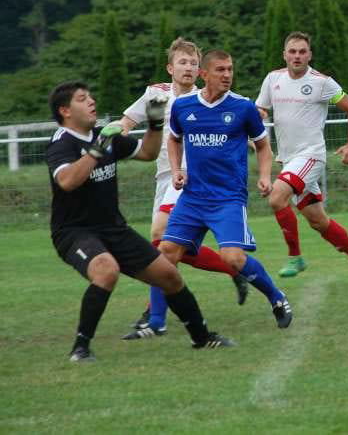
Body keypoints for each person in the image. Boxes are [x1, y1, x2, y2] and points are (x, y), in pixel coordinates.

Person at [46, 81, 233, 361]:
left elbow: (146, 153)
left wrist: (156, 125)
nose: (92, 102)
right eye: (83, 99)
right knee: (106, 270)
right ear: (65, 111)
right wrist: (97, 149)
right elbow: (67, 181)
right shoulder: (62, 143)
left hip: (113, 228)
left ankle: (202, 338)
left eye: (91, 97)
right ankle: (80, 348)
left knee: (169, 275)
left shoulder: (102, 135)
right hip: (74, 232)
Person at [124, 49, 292, 340]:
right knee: (164, 254)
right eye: (220, 70)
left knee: (233, 259)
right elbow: (174, 139)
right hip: (191, 197)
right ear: (205, 75)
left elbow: (263, 146)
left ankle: (276, 297)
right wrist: (176, 169)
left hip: (228, 198)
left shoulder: (243, 107)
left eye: (230, 69)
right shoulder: (183, 106)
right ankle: (155, 321)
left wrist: (265, 176)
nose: (227, 75)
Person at [120, 37, 247, 332]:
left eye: (193, 63)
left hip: (190, 176)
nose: (188, 68)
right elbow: (128, 121)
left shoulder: (208, 98)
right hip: (163, 175)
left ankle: (155, 317)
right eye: (183, 62)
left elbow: (239, 116)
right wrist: (116, 135)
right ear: (170, 68)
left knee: (159, 235)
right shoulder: (157, 95)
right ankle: (232, 270)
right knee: (165, 247)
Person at [256, 32, 348, 281]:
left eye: (302, 52)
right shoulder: (272, 79)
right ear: (284, 54)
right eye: (292, 51)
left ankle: (295, 257)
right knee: (318, 221)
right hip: (289, 160)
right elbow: (261, 109)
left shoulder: (322, 83)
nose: (297, 56)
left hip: (311, 156)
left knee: (277, 198)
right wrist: (254, 118)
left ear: (309, 55)